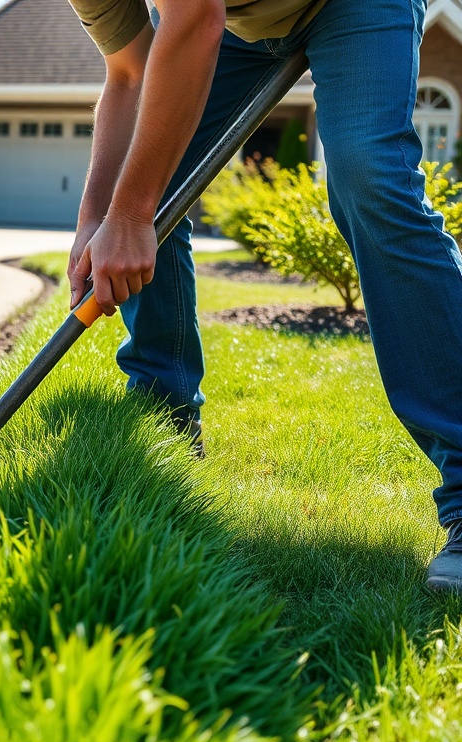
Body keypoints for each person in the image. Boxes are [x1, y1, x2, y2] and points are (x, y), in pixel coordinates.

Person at [65, 0, 462, 590]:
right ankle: (163, 418)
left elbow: (196, 16)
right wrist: (100, 216)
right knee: (150, 175)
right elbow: (131, 73)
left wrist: (131, 212)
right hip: (237, 22)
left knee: (368, 177)